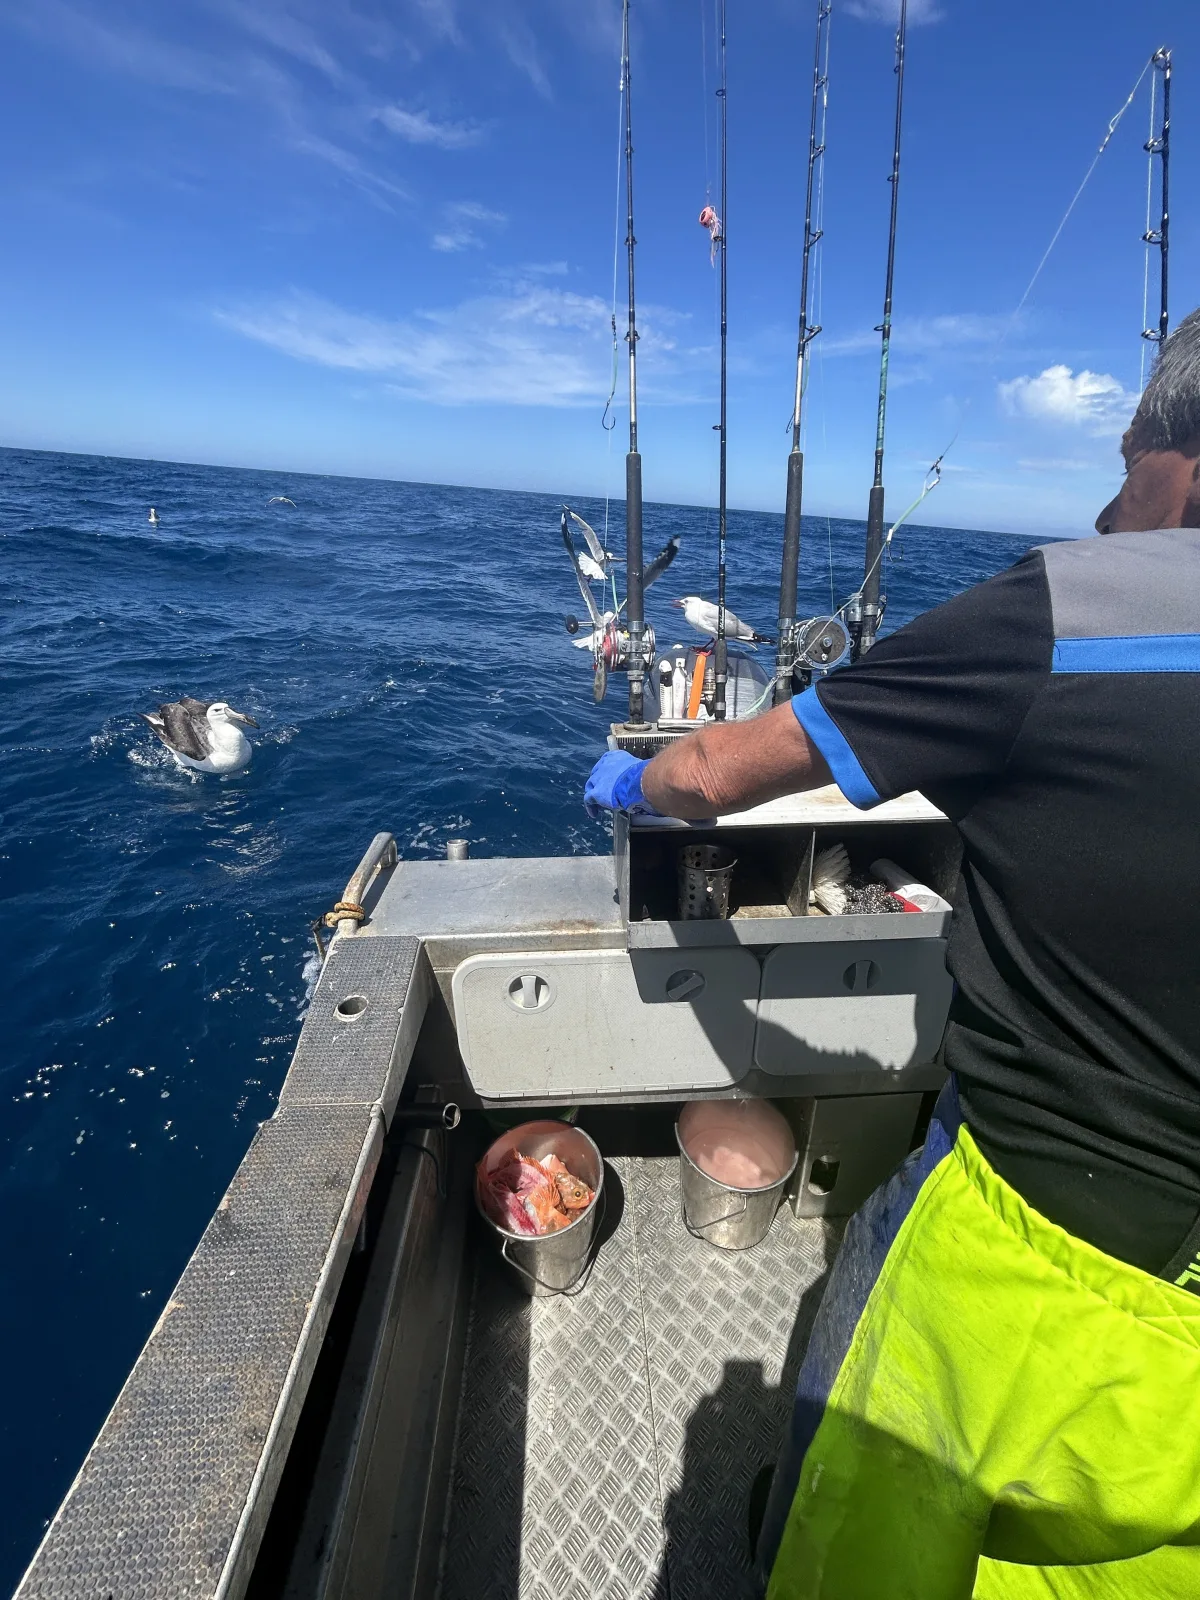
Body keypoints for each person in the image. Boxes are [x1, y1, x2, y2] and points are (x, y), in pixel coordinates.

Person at [585, 309, 1200, 1599]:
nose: (1105, 505)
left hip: (1034, 1251)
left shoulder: (1080, 609)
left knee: (855, 1516)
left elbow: (715, 770)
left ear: (1183, 463)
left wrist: (637, 779)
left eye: (1130, 458)